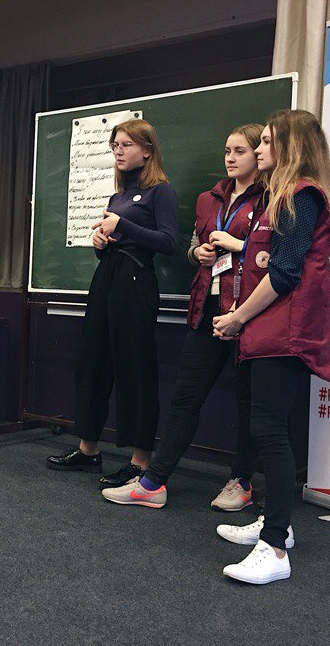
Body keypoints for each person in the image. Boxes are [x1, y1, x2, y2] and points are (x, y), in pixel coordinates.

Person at [101, 125, 265, 508]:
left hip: (250, 311)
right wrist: (199, 254)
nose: (230, 158)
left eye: (239, 151)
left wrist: (239, 245)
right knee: (185, 398)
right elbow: (191, 246)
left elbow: (275, 252)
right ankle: (153, 482)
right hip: (207, 307)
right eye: (227, 150)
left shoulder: (272, 198)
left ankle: (241, 482)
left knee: (248, 402)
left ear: (259, 155)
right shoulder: (210, 199)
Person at [211, 109, 330, 584]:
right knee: (269, 429)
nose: (259, 148)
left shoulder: (301, 195)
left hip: (284, 334)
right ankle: (276, 525)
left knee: (269, 432)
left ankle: (275, 550)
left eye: (267, 141)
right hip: (268, 330)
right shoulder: (281, 196)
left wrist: (238, 317)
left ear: (290, 145)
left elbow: (284, 273)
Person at [46, 119, 178, 483]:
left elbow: (168, 242)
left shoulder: (160, 192)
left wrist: (122, 225)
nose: (118, 151)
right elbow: (116, 241)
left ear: (147, 151)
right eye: (115, 145)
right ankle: (88, 450)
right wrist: (100, 244)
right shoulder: (117, 196)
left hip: (136, 281)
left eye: (126, 145)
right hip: (107, 277)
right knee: (91, 362)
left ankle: (141, 460)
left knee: (135, 368)